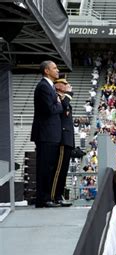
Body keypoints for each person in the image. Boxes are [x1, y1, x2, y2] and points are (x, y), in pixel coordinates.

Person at [31, 60, 63, 208]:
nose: (57, 70)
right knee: (45, 167)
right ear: (46, 71)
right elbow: (50, 109)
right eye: (54, 68)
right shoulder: (43, 87)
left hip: (51, 134)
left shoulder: (49, 86)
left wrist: (57, 102)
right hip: (46, 134)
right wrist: (59, 103)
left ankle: (47, 198)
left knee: (49, 167)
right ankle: (43, 199)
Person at [50, 75, 74, 206]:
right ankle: (54, 196)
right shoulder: (57, 97)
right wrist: (69, 94)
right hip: (62, 138)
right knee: (58, 170)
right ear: (57, 85)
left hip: (67, 138)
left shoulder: (64, 99)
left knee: (63, 170)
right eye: (64, 84)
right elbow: (63, 106)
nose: (67, 86)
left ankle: (59, 195)